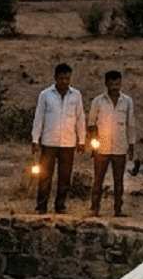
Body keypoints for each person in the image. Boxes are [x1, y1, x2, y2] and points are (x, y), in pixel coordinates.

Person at [30, 62, 86, 214]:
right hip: (49, 142)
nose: (64, 82)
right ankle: (41, 206)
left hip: (68, 142)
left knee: (64, 178)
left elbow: (80, 118)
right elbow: (39, 118)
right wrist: (35, 139)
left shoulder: (76, 95)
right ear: (55, 78)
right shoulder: (45, 95)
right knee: (45, 176)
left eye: (67, 78)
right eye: (61, 78)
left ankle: (60, 206)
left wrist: (82, 140)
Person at [88, 69, 136, 217]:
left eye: (117, 84)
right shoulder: (98, 101)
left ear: (121, 84)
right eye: (112, 84)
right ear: (106, 84)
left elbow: (131, 124)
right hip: (101, 148)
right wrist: (93, 143)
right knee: (98, 180)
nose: (115, 87)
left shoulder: (127, 101)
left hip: (120, 147)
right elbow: (91, 124)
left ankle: (118, 209)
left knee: (119, 181)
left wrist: (132, 145)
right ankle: (95, 209)